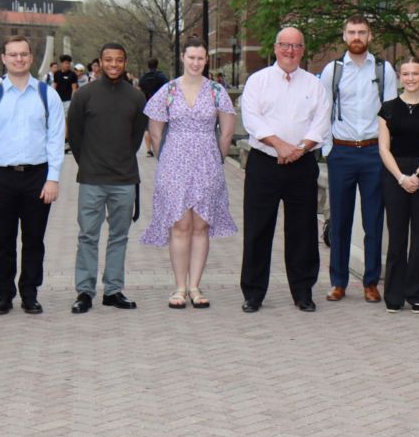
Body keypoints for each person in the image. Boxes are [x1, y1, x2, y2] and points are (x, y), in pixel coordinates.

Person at [239, 26, 332, 312]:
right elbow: (251, 118)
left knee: (303, 229)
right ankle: (253, 293)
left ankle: (303, 292)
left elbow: (321, 121)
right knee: (258, 229)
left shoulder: (314, 85)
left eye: (296, 46)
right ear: (276, 47)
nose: (290, 51)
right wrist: (279, 145)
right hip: (264, 162)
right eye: (285, 45)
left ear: (303, 50)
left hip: (301, 164)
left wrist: (298, 149)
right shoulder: (258, 81)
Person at [142, 40, 237, 308]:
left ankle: (195, 285)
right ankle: (179, 287)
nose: (196, 62)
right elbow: (156, 131)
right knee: (180, 225)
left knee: (201, 224)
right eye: (191, 57)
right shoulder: (168, 91)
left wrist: (215, 157)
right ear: (182, 57)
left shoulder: (217, 92)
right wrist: (169, 158)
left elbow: (227, 130)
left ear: (206, 60)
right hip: (174, 162)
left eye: (200, 58)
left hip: (207, 160)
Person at [0, 36, 64, 315]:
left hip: (37, 176)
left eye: (23, 54)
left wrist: (53, 177)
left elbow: (56, 138)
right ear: (3, 58)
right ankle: (4, 294)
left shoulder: (46, 95)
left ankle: (30, 293)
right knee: (3, 241)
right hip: (2, 177)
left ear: (31, 57)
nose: (18, 59)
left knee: (34, 240)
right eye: (12, 55)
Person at [318, 16, 397, 303]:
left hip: (374, 153)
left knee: (373, 221)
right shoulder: (332, 71)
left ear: (370, 36)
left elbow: (389, 114)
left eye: (361, 32)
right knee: (339, 220)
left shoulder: (384, 70)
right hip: (342, 152)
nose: (357, 36)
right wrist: (328, 150)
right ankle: (338, 282)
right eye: (351, 32)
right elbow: (324, 110)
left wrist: (385, 151)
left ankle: (371, 283)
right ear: (344, 36)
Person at [66, 42, 148, 314]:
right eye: (108, 60)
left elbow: (136, 137)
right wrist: (88, 162)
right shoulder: (84, 96)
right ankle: (85, 291)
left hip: (124, 179)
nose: (114, 65)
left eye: (119, 60)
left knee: (119, 236)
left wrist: (121, 162)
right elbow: (75, 136)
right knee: (88, 236)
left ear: (125, 63)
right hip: (91, 178)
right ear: (99, 63)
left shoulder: (136, 98)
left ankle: (113, 290)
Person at [377, 58, 419, 313]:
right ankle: (393, 295)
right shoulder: (388, 109)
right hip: (394, 174)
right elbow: (383, 147)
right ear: (399, 77)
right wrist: (402, 177)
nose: (411, 78)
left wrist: (417, 175)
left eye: (415, 73)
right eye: (406, 74)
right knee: (396, 236)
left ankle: (417, 293)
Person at [138, 58, 170, 158]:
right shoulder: (161, 76)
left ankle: (148, 150)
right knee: (160, 127)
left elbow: (140, 87)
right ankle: (160, 147)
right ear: (157, 64)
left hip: (147, 103)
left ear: (148, 65)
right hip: (160, 104)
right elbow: (167, 88)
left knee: (147, 128)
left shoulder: (144, 77)